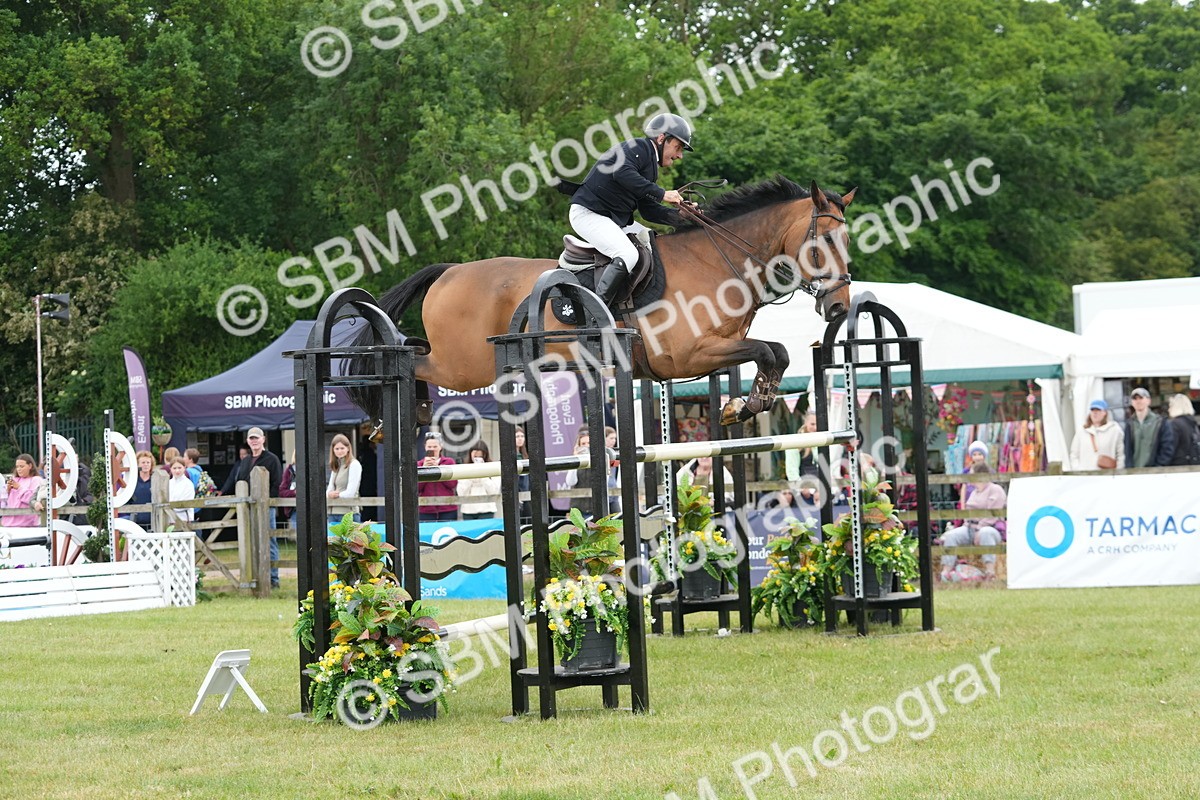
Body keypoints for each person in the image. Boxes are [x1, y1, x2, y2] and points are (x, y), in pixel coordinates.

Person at [568, 112, 694, 307]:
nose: (679, 155)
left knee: (653, 243)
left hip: (610, 220)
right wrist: (662, 193)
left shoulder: (649, 167)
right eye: (677, 147)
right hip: (589, 214)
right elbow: (622, 172)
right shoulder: (639, 147)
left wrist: (682, 215)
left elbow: (649, 211)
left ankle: (635, 305)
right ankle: (596, 311)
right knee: (628, 254)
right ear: (661, 138)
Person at [219, 427, 283, 588]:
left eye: (257, 438)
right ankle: (255, 576)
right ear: (248, 441)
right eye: (251, 439)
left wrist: (267, 502)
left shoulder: (272, 459)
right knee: (251, 540)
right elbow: (240, 481)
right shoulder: (245, 461)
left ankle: (273, 579)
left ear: (263, 439)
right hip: (248, 508)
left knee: (269, 541)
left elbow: (277, 483)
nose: (254, 441)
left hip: (266, 507)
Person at [939, 463, 1006, 580]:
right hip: (970, 527)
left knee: (986, 533)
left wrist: (979, 528)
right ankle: (946, 571)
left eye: (971, 474)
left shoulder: (995, 490)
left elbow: (993, 515)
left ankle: (990, 571)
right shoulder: (974, 492)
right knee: (951, 536)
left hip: (992, 528)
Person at [1124, 387, 1175, 468]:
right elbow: (1127, 450)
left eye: (1141, 398)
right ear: (1132, 402)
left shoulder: (1160, 422)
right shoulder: (1130, 424)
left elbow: (1167, 449)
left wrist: (1158, 467)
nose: (1138, 401)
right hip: (1134, 473)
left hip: (1154, 473)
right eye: (1135, 398)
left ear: (1149, 401)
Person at [1069, 399, 1125, 471]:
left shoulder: (1115, 430)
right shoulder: (1081, 431)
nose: (1095, 413)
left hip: (1107, 476)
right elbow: (1074, 454)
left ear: (1105, 412)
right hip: (1085, 477)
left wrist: (1117, 473)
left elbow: (1120, 455)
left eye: (1098, 410)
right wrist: (1078, 469)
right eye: (1092, 410)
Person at [418, 432, 457, 522]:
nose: (432, 449)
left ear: (441, 447)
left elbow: (452, 484)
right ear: (425, 447)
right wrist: (424, 470)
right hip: (426, 510)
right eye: (429, 447)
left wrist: (438, 469)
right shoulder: (419, 464)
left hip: (448, 508)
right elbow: (417, 488)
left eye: (435, 447)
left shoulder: (449, 462)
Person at [456, 441, 501, 520]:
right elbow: (461, 493)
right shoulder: (464, 468)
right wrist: (471, 474)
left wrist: (482, 473)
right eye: (475, 456)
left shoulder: (494, 467)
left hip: (487, 510)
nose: (477, 459)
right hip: (468, 511)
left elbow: (494, 492)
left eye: (480, 457)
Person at [326, 434, 362, 525]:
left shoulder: (354, 464)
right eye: (337, 449)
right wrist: (329, 494)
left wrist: (335, 495)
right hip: (332, 513)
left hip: (348, 513)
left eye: (342, 448)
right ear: (333, 450)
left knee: (350, 540)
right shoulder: (336, 466)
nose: (339, 451)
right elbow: (329, 490)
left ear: (348, 448)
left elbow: (351, 492)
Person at [2, 454, 45, 529]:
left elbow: (32, 499)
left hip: (27, 524)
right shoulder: (15, 479)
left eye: (22, 466)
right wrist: (7, 491)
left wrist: (19, 488)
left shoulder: (36, 480)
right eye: (17, 466)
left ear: (30, 466)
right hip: (8, 524)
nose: (18, 469)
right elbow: (5, 501)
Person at [1166, 394, 1200, 466]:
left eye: (1170, 406)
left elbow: (1169, 448)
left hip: (1178, 466)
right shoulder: (1193, 423)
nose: (1168, 409)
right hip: (1193, 463)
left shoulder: (1173, 424)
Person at [126, 450, 155, 527]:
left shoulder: (156, 481)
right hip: (135, 522)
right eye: (143, 463)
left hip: (153, 521)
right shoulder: (131, 482)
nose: (146, 465)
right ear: (137, 465)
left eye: (148, 462)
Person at [167, 457, 195, 523]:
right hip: (170, 520)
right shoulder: (168, 483)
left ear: (184, 467)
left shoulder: (188, 484)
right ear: (170, 469)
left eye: (179, 468)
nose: (177, 471)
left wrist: (171, 507)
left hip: (184, 519)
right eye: (174, 468)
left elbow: (187, 503)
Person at [279, 450, 297, 529]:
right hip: (293, 509)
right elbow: (282, 491)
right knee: (299, 535)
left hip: (311, 508)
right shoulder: (289, 471)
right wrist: (294, 492)